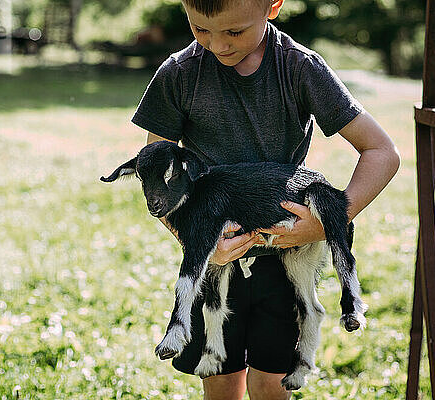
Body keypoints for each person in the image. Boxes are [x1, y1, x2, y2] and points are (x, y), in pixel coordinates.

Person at [130, 0, 400, 398]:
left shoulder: (300, 67)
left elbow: (382, 153)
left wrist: (328, 220)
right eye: (200, 29)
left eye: (234, 32)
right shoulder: (178, 74)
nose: (217, 45)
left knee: (272, 384)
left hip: (286, 255)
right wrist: (200, 245)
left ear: (272, 6)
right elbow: (158, 176)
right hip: (216, 259)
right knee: (219, 378)